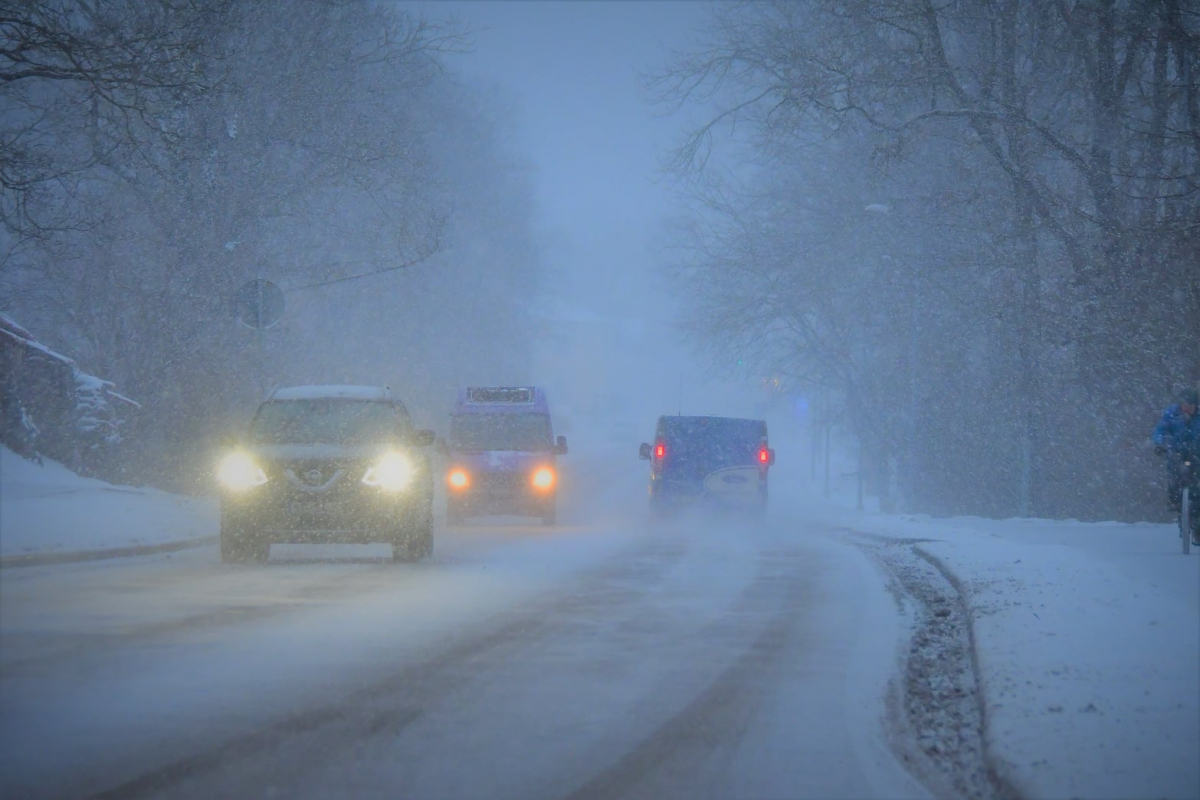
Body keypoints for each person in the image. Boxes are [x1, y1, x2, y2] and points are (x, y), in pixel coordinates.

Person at [1153, 388, 1200, 541]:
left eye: (1190, 405)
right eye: (1184, 404)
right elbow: (1160, 429)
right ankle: (1175, 501)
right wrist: (1159, 443)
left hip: (1198, 454)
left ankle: (1197, 525)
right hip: (1177, 453)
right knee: (1174, 476)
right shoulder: (1172, 414)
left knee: (1197, 490)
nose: (1186, 408)